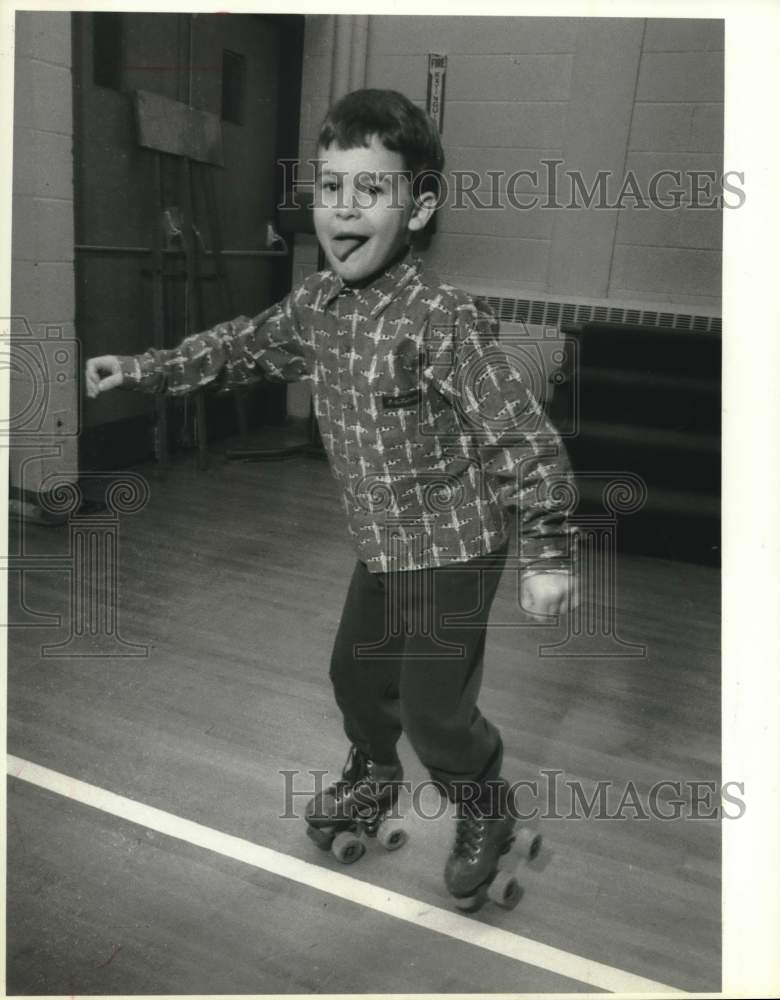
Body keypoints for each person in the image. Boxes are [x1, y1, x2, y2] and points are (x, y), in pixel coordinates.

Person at [85, 88, 577, 906]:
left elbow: (523, 437)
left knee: (435, 712)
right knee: (354, 675)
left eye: (371, 189)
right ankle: (374, 774)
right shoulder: (317, 306)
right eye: (331, 186)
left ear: (419, 209)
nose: (344, 208)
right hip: (383, 544)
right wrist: (146, 368)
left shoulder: (443, 320)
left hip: (456, 547)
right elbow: (241, 348)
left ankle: (485, 809)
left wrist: (549, 551)